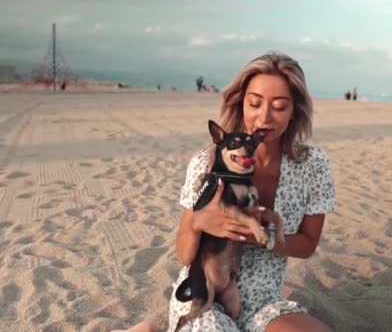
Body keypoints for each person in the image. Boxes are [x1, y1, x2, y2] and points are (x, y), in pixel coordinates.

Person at [118, 52, 336, 332]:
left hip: (264, 303)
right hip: (204, 293)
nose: (264, 117)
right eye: (255, 103)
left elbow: (307, 244)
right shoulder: (206, 163)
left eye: (279, 106)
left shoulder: (313, 166)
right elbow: (184, 254)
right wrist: (197, 222)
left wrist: (260, 238)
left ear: (295, 110)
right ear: (241, 103)